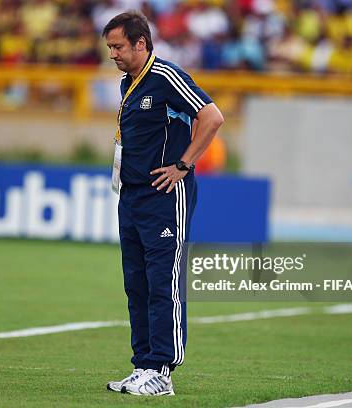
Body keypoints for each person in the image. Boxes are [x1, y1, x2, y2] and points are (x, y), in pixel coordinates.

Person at [102, 11, 224, 396]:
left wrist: (184, 165)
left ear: (141, 43)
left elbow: (212, 116)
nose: (113, 54)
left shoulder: (165, 76)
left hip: (165, 195)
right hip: (133, 194)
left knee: (162, 281)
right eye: (110, 48)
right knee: (135, 284)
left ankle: (163, 371)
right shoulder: (129, 83)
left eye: (118, 46)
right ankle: (143, 366)